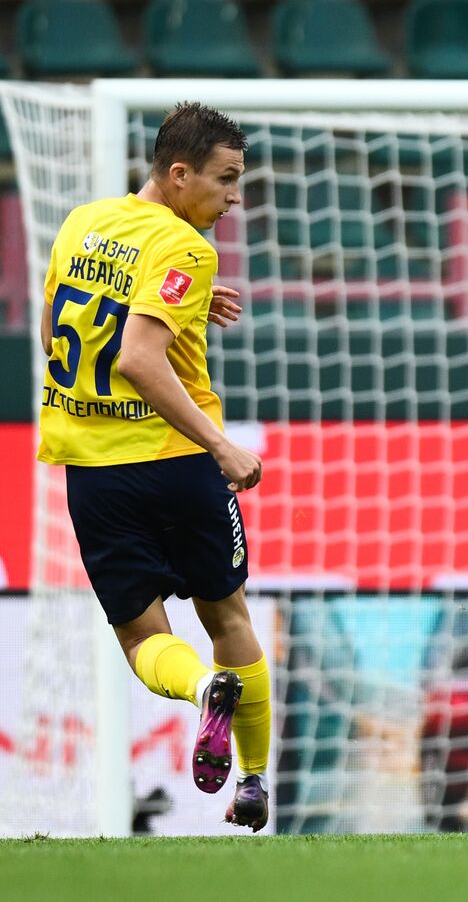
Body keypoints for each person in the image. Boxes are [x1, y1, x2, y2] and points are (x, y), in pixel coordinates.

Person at [38, 103, 272, 831]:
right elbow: (139, 355)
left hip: (95, 469)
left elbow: (57, 327)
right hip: (179, 462)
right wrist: (224, 445)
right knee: (226, 611)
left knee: (144, 637)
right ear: (179, 174)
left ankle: (204, 686)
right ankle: (255, 779)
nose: (234, 197)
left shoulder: (82, 222)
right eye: (225, 179)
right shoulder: (188, 248)